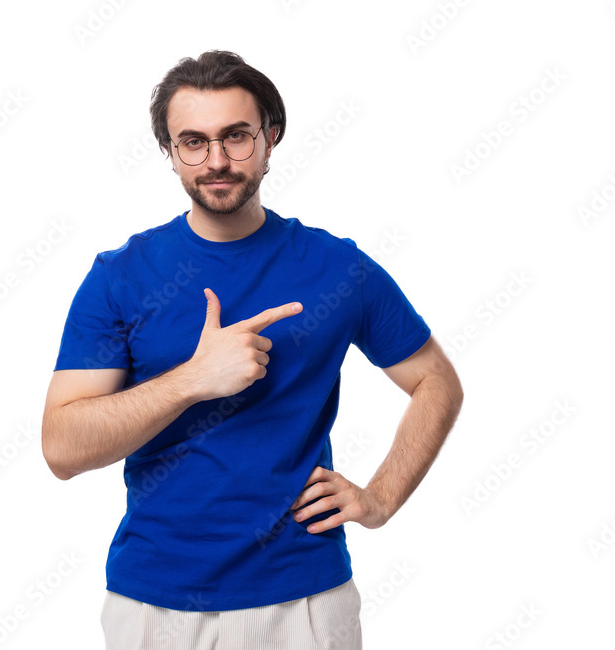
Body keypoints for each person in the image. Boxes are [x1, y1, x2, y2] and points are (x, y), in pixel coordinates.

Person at [42, 50, 464, 650]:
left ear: (271, 137)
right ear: (169, 151)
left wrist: (380, 498)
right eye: (193, 141)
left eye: (236, 136)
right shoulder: (120, 276)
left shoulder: (338, 267)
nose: (216, 161)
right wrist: (193, 379)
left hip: (304, 599)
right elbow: (62, 449)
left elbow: (436, 381)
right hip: (153, 604)